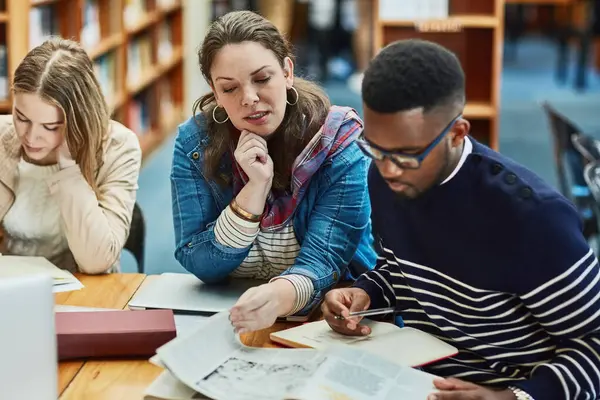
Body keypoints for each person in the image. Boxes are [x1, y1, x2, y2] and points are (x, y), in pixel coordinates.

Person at [322, 39, 600, 400]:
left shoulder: (534, 219)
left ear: (457, 134)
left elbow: (592, 346)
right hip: (418, 379)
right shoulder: (388, 178)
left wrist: (509, 397)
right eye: (375, 148)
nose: (388, 169)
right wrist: (366, 292)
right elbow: (403, 272)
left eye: (408, 154)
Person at [170, 10, 376, 334]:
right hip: (237, 319)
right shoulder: (194, 142)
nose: (249, 98)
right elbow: (198, 261)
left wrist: (278, 297)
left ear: (287, 72)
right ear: (213, 90)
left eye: (262, 79)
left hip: (327, 318)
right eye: (229, 88)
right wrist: (254, 191)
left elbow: (325, 261)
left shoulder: (337, 141)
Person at [0, 38, 142, 274]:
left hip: (85, 291)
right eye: (22, 118)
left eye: (51, 126)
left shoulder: (119, 147)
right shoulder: (3, 137)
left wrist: (68, 166)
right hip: (11, 288)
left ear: (79, 120)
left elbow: (97, 260)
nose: (31, 137)